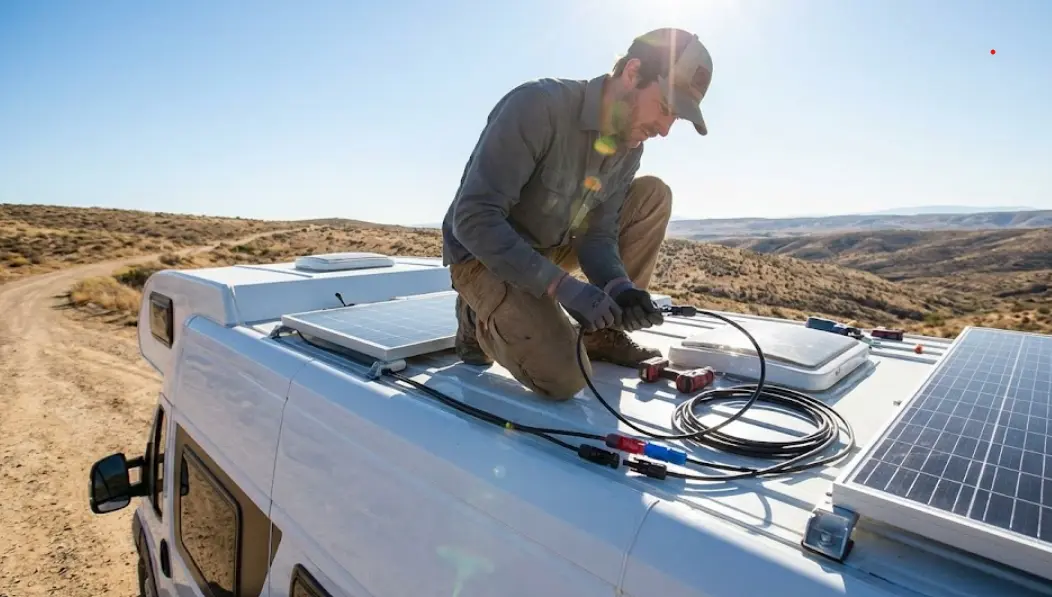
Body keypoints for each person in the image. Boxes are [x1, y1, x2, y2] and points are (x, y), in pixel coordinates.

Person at [441, 27, 714, 401]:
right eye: (665, 108)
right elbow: (473, 220)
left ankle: (602, 329)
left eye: (676, 119)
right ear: (633, 73)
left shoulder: (630, 147)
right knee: (566, 380)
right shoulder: (538, 106)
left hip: (551, 248)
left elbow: (598, 236)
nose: (665, 130)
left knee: (653, 195)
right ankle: (476, 318)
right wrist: (564, 288)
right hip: (482, 255)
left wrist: (621, 289)